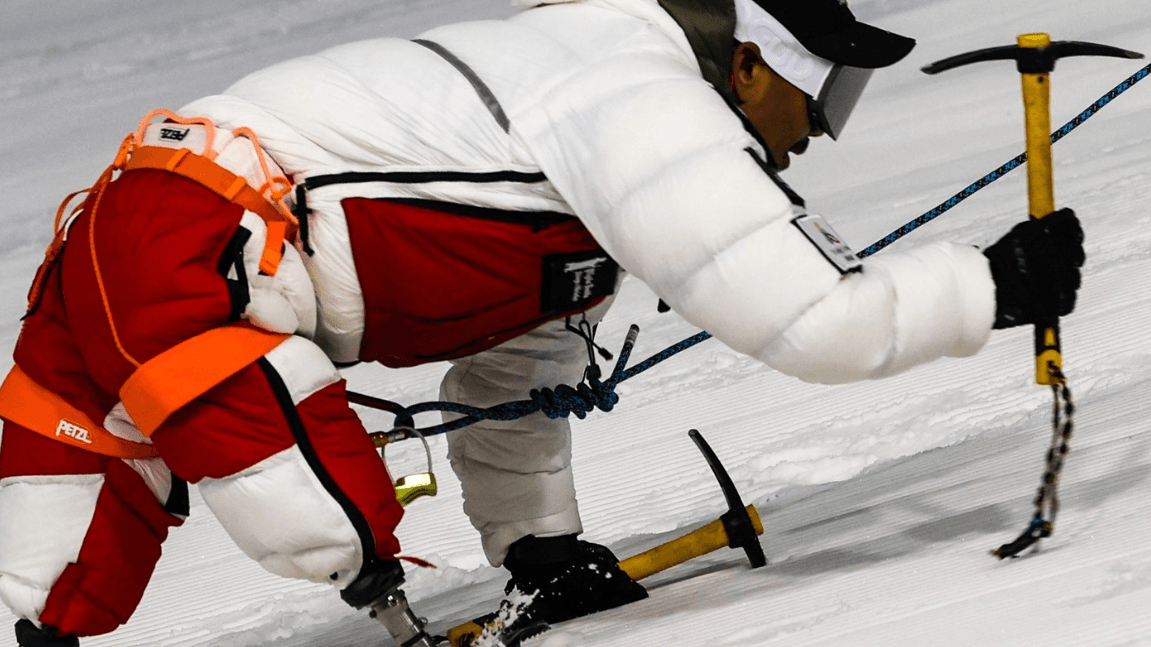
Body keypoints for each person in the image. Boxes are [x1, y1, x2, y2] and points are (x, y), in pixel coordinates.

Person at [0, 0, 1086, 645]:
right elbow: (813, 317)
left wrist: (541, 548)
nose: (818, 133)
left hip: (138, 224)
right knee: (319, 504)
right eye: (823, 96)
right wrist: (989, 287)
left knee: (56, 564)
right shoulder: (636, 99)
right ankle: (398, 621)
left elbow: (510, 344)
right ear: (747, 60)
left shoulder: (566, 120)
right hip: (192, 247)